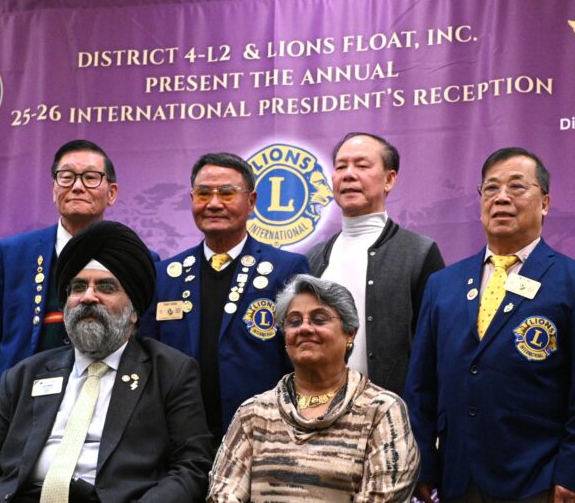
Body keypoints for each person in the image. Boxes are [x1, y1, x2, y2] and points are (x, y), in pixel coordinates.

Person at [405, 147, 575, 503]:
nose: (501, 197)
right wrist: (423, 462)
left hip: (539, 479)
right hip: (458, 479)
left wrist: (573, 473)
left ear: (545, 203)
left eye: (517, 187)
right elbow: (421, 386)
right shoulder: (443, 285)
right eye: (491, 188)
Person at [0, 221, 213, 503]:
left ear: (134, 310)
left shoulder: (170, 372)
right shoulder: (24, 375)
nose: (88, 297)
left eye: (106, 287)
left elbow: (192, 467)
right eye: (78, 287)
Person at [0, 140, 160, 458]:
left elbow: (145, 347)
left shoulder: (141, 260)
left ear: (111, 192)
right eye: (66, 176)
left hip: (104, 418)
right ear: (54, 188)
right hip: (17, 416)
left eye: (90, 177)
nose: (77, 186)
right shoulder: (12, 254)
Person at [141, 152, 309, 446]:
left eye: (227, 193)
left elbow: (301, 360)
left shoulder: (286, 269)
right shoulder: (164, 275)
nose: (214, 203)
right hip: (179, 438)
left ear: (251, 201)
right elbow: (147, 359)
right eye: (203, 193)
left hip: (264, 434)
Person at [208, 274, 419, 502]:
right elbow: (222, 493)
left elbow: (384, 496)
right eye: (294, 321)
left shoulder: (381, 409)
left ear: (350, 332)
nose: (305, 328)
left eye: (319, 319)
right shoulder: (254, 413)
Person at [307, 132, 444, 396]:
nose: (349, 174)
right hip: (317, 409)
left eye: (362, 165)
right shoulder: (313, 258)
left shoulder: (419, 252)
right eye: (341, 166)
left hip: (393, 411)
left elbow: (436, 346)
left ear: (389, 179)